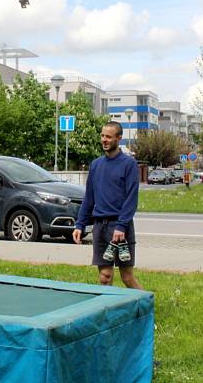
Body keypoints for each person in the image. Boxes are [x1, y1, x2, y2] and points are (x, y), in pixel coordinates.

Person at [73, 121, 143, 290]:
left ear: (119, 138)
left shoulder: (129, 164)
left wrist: (121, 226)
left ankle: (146, 306)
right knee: (105, 277)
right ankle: (107, 313)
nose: (104, 140)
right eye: (102, 136)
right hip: (100, 227)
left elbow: (131, 199)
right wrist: (79, 224)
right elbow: (89, 198)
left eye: (109, 137)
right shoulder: (96, 164)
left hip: (120, 228)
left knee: (127, 277)